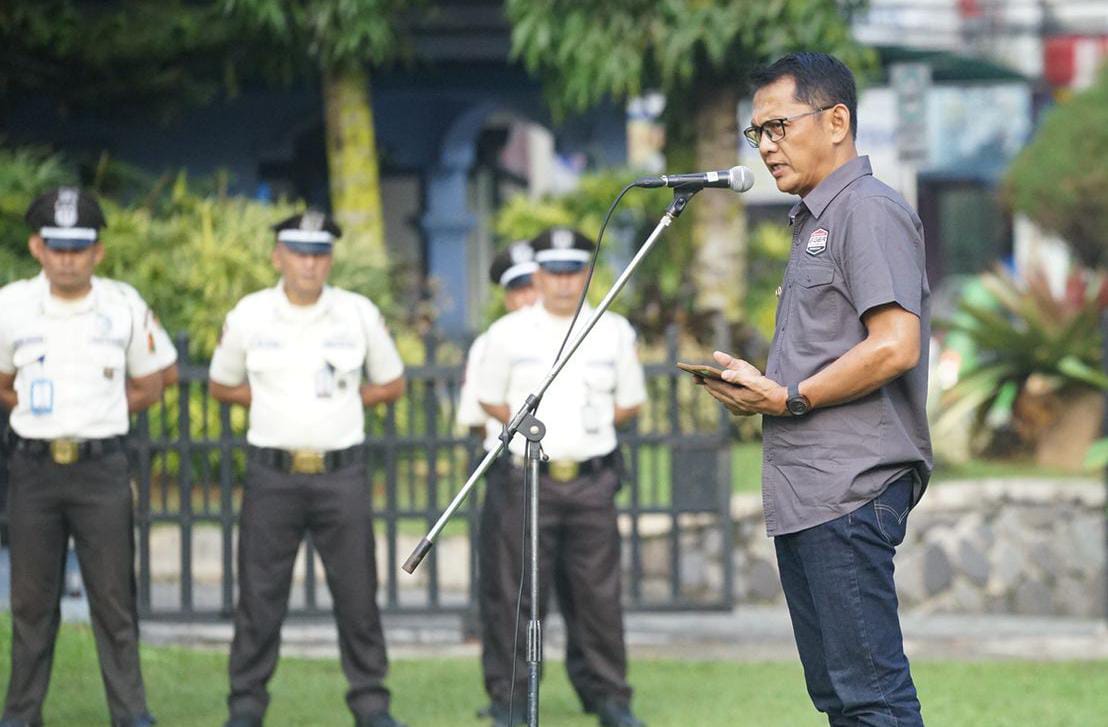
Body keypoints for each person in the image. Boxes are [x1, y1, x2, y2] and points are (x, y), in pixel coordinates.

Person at [696, 52, 931, 726]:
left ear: (836, 121)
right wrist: (764, 386)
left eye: (778, 127)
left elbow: (894, 344)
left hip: (850, 487)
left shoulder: (867, 210)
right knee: (839, 698)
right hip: (811, 493)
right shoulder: (813, 218)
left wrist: (788, 397)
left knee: (872, 698)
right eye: (756, 134)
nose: (767, 147)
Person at [208, 211, 406, 727]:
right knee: (259, 595)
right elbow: (221, 383)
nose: (309, 264)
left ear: (330, 260)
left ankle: (371, 706)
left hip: (340, 474)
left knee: (358, 595)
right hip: (273, 475)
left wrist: (343, 401)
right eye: (299, 253)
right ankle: (246, 706)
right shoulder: (251, 314)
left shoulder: (356, 313)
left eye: (319, 254)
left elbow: (392, 382)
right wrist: (275, 400)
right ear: (278, 256)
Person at [0, 187, 171, 727]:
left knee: (114, 601)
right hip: (34, 470)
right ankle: (21, 715)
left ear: (97, 251)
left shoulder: (122, 305)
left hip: (101, 471)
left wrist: (98, 409)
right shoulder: (11, 305)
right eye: (57, 246)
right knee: (30, 604)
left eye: (79, 247)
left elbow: (154, 378)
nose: (67, 257)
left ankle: (130, 713)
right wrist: (33, 406)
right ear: (37, 247)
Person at [475, 228, 647, 727]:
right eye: (555, 272)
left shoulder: (611, 327)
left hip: (592, 478)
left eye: (575, 271)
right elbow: (488, 395)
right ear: (540, 275)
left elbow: (629, 402)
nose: (566, 282)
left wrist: (579, 430)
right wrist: (530, 428)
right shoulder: (508, 332)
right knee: (516, 594)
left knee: (598, 594)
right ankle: (510, 700)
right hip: (527, 477)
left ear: (585, 274)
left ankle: (610, 697)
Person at [457, 242, 600, 720]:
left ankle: (600, 693)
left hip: (579, 476)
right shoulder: (496, 339)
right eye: (515, 287)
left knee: (588, 595)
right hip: (515, 473)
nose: (525, 295)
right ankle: (509, 694)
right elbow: (479, 413)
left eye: (528, 284)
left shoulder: (588, 329)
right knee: (511, 593)